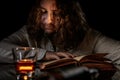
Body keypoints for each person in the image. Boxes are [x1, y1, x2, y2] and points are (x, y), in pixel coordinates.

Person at [0, 0, 120, 80]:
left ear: (70, 16)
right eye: (43, 12)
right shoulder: (27, 33)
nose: (49, 20)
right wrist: (45, 55)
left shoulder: (89, 36)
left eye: (56, 14)